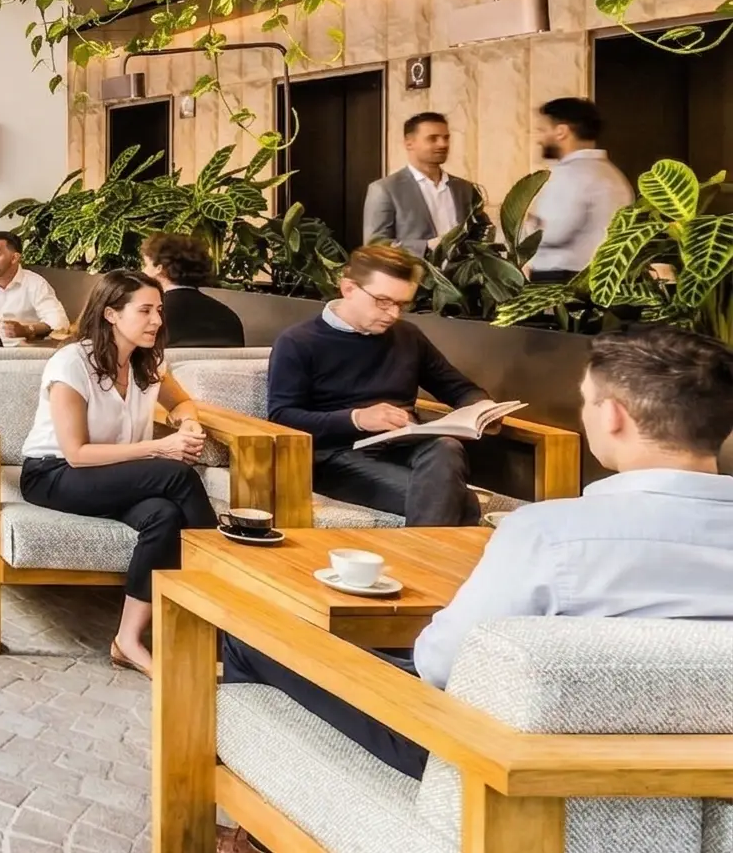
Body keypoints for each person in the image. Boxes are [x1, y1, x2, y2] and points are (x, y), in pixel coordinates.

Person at [222, 324, 733, 780]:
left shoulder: (549, 535)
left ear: (614, 416)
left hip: (489, 759)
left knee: (246, 632)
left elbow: (439, 663)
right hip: (693, 770)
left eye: (587, 400)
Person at [17, 270, 213, 675]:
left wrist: (188, 424)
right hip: (53, 474)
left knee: (164, 515)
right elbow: (76, 453)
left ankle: (127, 640)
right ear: (110, 314)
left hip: (114, 474)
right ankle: (226, 598)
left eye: (158, 310)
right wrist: (161, 447)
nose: (156, 320)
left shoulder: (148, 362)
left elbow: (182, 404)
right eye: (144, 311)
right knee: (175, 476)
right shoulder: (72, 363)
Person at [266, 243, 490, 527]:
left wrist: (482, 409)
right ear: (348, 288)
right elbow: (282, 416)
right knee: (461, 501)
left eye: (401, 304)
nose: (393, 314)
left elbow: (458, 388)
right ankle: (426, 568)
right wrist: (357, 418)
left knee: (447, 447)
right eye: (383, 301)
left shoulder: (408, 336)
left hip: (404, 446)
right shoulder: (298, 342)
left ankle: (423, 565)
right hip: (336, 457)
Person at [524, 96, 633, 281]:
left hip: (562, 281)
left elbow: (550, 233)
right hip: (598, 279)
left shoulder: (571, 174)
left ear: (561, 132)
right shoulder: (613, 174)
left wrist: (526, 222)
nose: (539, 140)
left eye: (542, 130)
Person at [362, 112, 481, 256]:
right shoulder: (385, 189)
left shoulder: (464, 188)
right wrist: (426, 246)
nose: (443, 144)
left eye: (446, 138)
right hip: (414, 275)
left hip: (465, 276)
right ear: (409, 143)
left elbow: (481, 232)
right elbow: (375, 244)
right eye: (433, 139)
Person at [0, 231, 69, 345]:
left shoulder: (36, 283)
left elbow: (59, 323)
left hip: (21, 351)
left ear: (14, 258)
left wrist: (27, 330)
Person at [140, 231, 246, 348]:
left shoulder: (151, 317)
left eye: (145, 264)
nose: (142, 271)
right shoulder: (229, 317)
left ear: (158, 268)